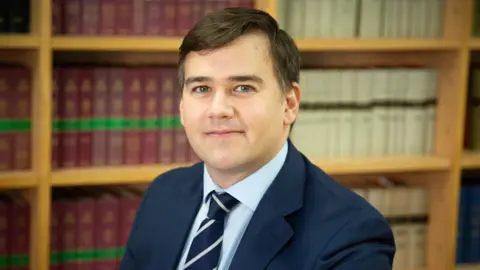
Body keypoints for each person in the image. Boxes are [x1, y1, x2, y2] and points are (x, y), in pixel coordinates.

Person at [119, 7, 395, 270]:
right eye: (201, 88)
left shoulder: (352, 234)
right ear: (181, 107)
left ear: (289, 104)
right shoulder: (164, 193)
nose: (218, 110)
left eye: (242, 87)